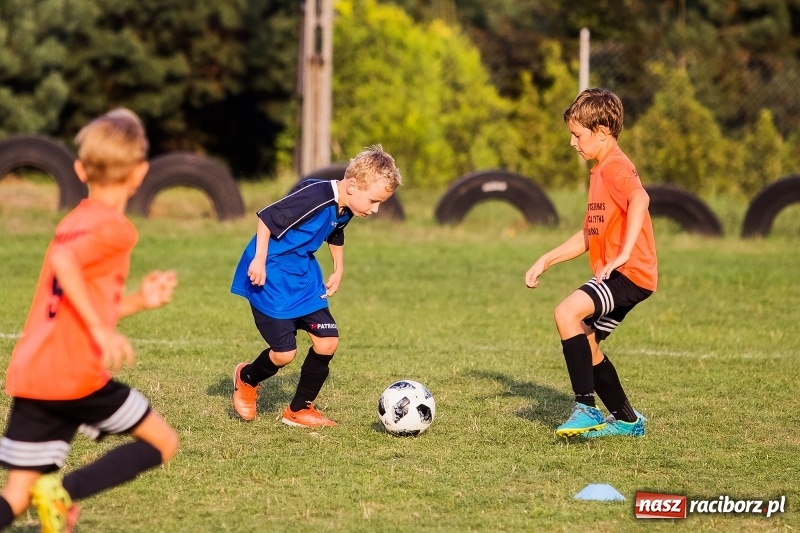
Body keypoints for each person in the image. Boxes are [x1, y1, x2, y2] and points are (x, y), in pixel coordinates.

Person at [0, 109, 180, 532]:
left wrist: (139, 300)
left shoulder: (72, 222)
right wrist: (100, 330)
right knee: (163, 442)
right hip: (75, 375)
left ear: (79, 169)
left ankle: (48, 496)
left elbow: (73, 301)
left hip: (33, 372)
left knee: (14, 496)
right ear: (141, 173)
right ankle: (62, 495)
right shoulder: (114, 229)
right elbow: (64, 264)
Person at [230, 145, 402, 427]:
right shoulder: (314, 197)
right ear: (353, 186)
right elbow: (267, 218)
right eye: (373, 201)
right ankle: (247, 378)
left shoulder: (346, 205)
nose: (375, 209)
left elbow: (336, 231)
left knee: (327, 342)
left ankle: (298, 409)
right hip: (270, 273)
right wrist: (259, 259)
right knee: (285, 354)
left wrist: (339, 268)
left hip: (303, 274)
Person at [525, 88, 658, 439]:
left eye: (577, 134)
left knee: (566, 313)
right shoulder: (599, 171)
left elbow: (640, 198)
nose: (572, 142)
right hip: (630, 275)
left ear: (602, 132)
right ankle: (628, 420)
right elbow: (590, 232)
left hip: (629, 274)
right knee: (587, 342)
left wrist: (624, 252)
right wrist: (547, 259)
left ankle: (585, 407)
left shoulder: (614, 166)